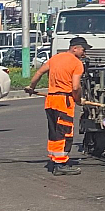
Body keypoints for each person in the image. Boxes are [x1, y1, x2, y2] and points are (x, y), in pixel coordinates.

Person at [27, 36, 89, 175]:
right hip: (63, 101)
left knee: (54, 132)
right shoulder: (77, 63)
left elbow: (39, 73)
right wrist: (78, 100)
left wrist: (31, 87)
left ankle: (55, 160)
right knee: (65, 132)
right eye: (83, 50)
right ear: (75, 48)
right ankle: (61, 164)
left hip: (50, 100)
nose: (84, 53)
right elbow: (75, 87)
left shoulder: (55, 58)